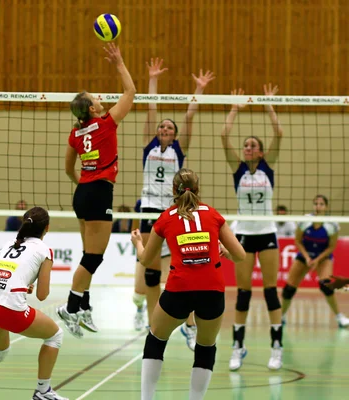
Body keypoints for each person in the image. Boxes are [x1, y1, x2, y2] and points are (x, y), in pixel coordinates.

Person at [132, 168, 245, 400]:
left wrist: (137, 243)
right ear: (198, 189)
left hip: (179, 289)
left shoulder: (165, 218)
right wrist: (223, 250)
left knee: (155, 340)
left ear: (173, 191)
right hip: (212, 291)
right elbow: (240, 255)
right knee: (205, 348)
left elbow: (145, 259)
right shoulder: (213, 215)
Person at [133, 58, 215, 349]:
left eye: (170, 127)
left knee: (182, 266)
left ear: (176, 134)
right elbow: (151, 108)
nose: (165, 129)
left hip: (173, 210)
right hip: (148, 209)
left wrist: (199, 89)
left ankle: (189, 325)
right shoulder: (149, 145)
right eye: (162, 127)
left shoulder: (179, 148)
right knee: (151, 270)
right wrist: (152, 79)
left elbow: (190, 116)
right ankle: (153, 318)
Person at [57, 43, 136, 338]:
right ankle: (70, 307)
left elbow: (68, 170)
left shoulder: (75, 133)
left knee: (88, 254)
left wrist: (84, 185)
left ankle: (85, 306)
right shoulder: (106, 124)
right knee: (93, 258)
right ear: (92, 108)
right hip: (100, 192)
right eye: (95, 98)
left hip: (83, 193)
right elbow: (130, 93)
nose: (100, 99)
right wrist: (118, 62)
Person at [0, 207, 67, 400]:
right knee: (55, 336)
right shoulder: (44, 250)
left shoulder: (9, 244)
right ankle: (43, 391)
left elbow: (7, 275)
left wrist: (24, 285)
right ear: (47, 228)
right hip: (7, 308)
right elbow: (42, 295)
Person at [220, 84, 285, 371]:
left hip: (267, 232)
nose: (248, 148)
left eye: (252, 145)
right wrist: (234, 109)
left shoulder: (267, 168)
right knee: (243, 292)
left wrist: (269, 105)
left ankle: (277, 346)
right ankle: (237, 346)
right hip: (244, 234)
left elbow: (279, 134)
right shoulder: (239, 171)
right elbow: (223, 135)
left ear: (260, 152)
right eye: (245, 145)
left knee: (271, 291)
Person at [281, 195, 349, 327]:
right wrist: (307, 258)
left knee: (326, 286)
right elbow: (298, 241)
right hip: (305, 256)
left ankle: (339, 317)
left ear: (326, 207)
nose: (318, 206)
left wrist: (317, 260)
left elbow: (332, 247)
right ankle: (281, 316)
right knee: (289, 289)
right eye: (316, 204)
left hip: (322, 257)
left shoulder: (332, 224)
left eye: (321, 204)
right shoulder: (305, 220)